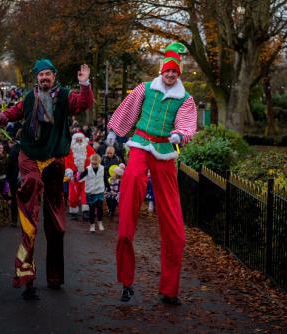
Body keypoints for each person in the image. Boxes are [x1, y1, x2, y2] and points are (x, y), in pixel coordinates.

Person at [0, 59, 93, 300]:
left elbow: (82, 103)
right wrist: (1, 117)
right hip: (30, 158)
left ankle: (55, 278)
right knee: (30, 216)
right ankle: (26, 279)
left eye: (48, 74)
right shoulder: (29, 98)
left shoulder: (66, 96)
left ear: (54, 75)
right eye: (41, 75)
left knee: (56, 223)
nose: (44, 78)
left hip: (55, 161)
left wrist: (85, 84)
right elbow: (14, 111)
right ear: (36, 78)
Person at [107, 42, 197, 305]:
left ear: (178, 74)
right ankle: (126, 282)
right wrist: (115, 132)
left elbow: (186, 123)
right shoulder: (145, 88)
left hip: (165, 151)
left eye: (175, 72)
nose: (171, 75)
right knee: (132, 186)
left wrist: (181, 134)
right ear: (162, 71)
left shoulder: (185, 99)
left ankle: (169, 290)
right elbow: (127, 110)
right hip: (140, 146)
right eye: (168, 71)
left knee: (174, 225)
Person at [64, 132, 95, 220]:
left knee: (86, 193)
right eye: (77, 140)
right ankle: (73, 211)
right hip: (74, 176)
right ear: (74, 141)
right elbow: (66, 161)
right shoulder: (70, 150)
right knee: (73, 194)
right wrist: (68, 170)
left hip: (86, 175)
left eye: (80, 140)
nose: (79, 141)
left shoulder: (88, 148)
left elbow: (94, 159)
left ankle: (86, 212)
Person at [78, 154, 105, 233]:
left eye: (95, 164)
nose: (93, 165)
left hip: (99, 190)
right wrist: (80, 172)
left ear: (99, 162)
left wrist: (108, 188)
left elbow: (105, 178)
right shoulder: (87, 169)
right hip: (90, 192)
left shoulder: (102, 169)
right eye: (92, 163)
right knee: (92, 209)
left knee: (100, 207)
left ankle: (100, 222)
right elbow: (80, 178)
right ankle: (92, 225)